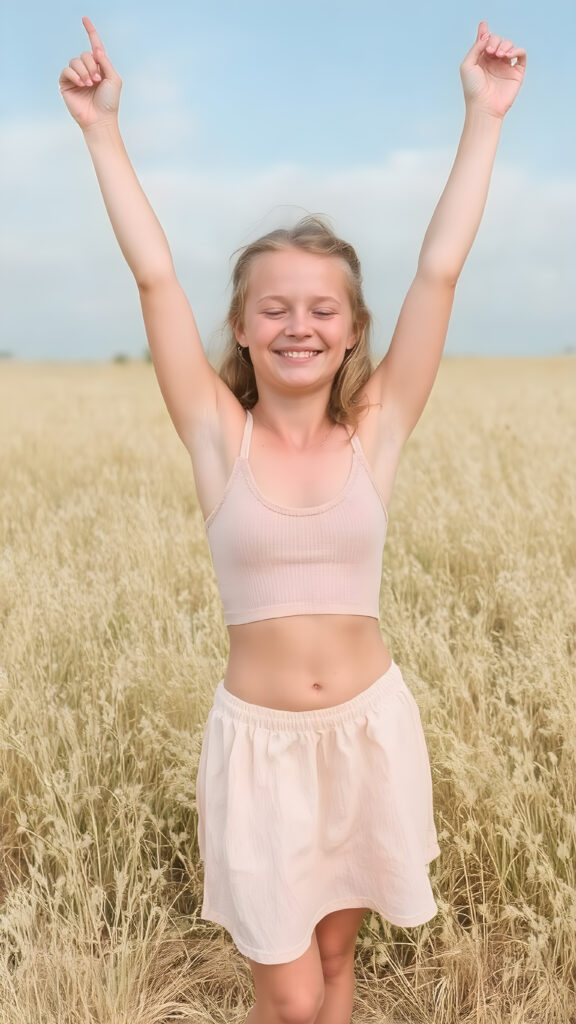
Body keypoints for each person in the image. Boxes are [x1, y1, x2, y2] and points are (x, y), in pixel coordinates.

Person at [59, 16, 526, 1024]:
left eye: (321, 308)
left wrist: (482, 120)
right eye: (274, 308)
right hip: (261, 753)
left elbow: (438, 270)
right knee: (292, 996)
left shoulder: (379, 430)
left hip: (368, 734)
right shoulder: (216, 437)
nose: (298, 325)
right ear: (241, 325)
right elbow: (155, 277)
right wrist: (103, 131)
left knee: (339, 968)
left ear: (353, 326)